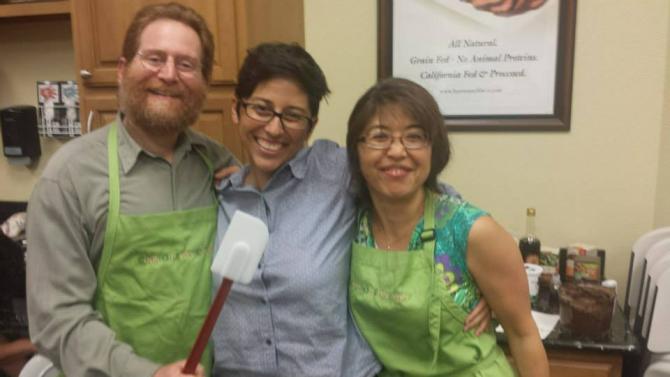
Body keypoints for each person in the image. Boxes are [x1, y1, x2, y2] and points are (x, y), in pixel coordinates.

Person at [211, 42, 490, 377]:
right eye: (260, 108)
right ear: (236, 109)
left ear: (311, 126)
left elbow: (436, 200)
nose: (274, 128)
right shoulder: (214, 193)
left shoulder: (336, 173)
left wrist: (485, 289)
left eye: (293, 116)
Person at [26, 3, 236, 377]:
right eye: (154, 58)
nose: (169, 74)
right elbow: (59, 319)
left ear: (204, 82)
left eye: (187, 64)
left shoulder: (218, 164)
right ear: (122, 70)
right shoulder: (70, 178)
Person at [345, 77, 549, 377]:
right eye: (379, 136)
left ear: (433, 149)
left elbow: (524, 335)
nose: (397, 151)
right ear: (356, 150)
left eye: (414, 137)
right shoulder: (351, 224)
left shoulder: (472, 231)